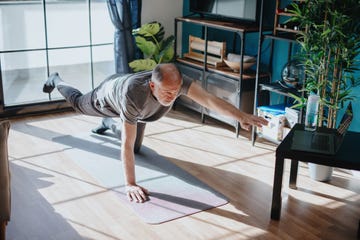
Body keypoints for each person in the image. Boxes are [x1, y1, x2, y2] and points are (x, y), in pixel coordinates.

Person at [42, 63, 268, 203]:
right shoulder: (133, 94)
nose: (172, 96)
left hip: (142, 112)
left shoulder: (178, 83)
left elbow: (209, 100)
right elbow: (126, 147)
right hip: (108, 97)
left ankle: (109, 124)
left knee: (138, 148)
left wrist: (242, 116)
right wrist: (130, 183)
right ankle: (57, 80)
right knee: (78, 103)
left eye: (175, 91)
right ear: (152, 86)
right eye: (166, 92)